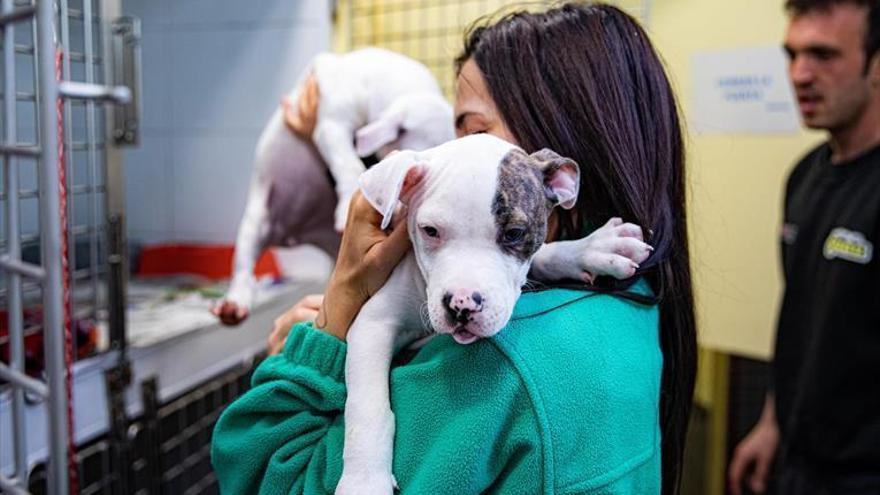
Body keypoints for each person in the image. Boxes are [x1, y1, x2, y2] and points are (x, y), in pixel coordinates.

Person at [212, 3, 697, 494]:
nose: (455, 147)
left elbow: (259, 473)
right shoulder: (632, 296)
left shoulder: (494, 369)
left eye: (472, 130)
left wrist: (320, 340)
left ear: (561, 145)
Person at [727, 1, 880, 494]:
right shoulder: (804, 175)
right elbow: (798, 310)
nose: (799, 74)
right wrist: (772, 423)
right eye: (791, 54)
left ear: (875, 63)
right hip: (795, 462)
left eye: (823, 55)